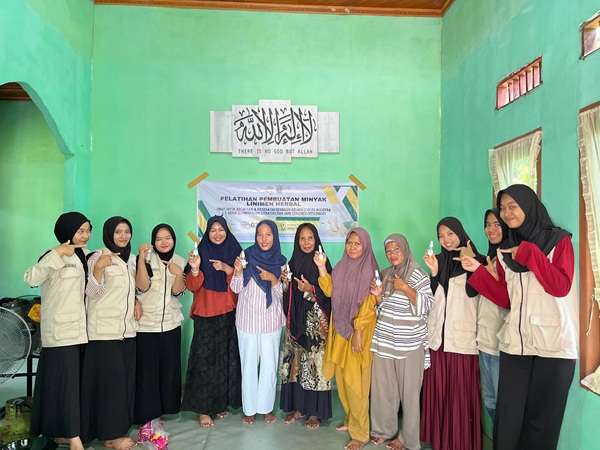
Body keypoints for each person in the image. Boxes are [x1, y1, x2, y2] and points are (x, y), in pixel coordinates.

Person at [459, 184, 576, 450]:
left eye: (513, 206)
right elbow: (507, 299)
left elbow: (560, 286)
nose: (507, 213)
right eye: (503, 208)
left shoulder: (559, 241)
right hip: (515, 346)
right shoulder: (506, 250)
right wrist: (478, 273)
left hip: (553, 347)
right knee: (508, 421)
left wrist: (530, 254)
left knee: (541, 424)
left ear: (529, 206)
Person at [25, 212, 92, 450]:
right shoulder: (52, 254)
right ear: (67, 231)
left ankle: (59, 432)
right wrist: (57, 253)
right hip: (60, 330)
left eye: (87, 230)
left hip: (80, 330)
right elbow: (31, 278)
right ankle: (74, 438)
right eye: (80, 231)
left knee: (63, 384)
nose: (85, 235)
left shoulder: (83, 256)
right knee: (67, 386)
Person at [421, 217, 483, 450]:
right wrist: (435, 273)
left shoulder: (476, 260)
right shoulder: (437, 261)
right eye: (441, 236)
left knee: (459, 395)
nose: (446, 240)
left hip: (462, 341)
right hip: (438, 341)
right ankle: (440, 441)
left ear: (460, 233)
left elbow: (474, 293)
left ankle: (459, 443)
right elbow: (433, 301)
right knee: (439, 392)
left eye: (450, 234)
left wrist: (471, 263)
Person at [369, 234, 434, 450]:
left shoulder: (418, 274)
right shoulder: (386, 274)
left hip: (410, 344)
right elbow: (382, 308)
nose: (392, 254)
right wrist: (378, 295)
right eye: (388, 251)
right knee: (383, 390)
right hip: (385, 341)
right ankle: (383, 430)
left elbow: (428, 306)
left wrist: (405, 288)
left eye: (396, 249)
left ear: (405, 249)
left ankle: (407, 439)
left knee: (410, 395)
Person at [81, 216, 138, 450]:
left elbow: (129, 291)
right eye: (118, 232)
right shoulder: (97, 257)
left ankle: (115, 428)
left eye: (126, 231)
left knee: (122, 384)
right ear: (108, 234)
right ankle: (111, 436)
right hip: (104, 332)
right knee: (110, 387)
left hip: (127, 331)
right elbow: (91, 293)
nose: (123, 236)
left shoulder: (130, 260)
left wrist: (137, 300)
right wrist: (98, 269)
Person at [320, 228, 378, 450]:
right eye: (349, 242)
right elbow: (330, 291)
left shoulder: (370, 271)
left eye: (357, 244)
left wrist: (358, 332)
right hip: (341, 331)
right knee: (343, 380)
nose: (352, 247)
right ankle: (351, 419)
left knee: (356, 385)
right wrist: (321, 268)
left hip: (358, 334)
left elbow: (370, 306)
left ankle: (360, 434)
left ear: (366, 246)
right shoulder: (341, 267)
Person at [182, 216, 242, 427]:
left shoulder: (235, 252)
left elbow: (240, 286)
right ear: (207, 233)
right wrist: (195, 268)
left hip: (228, 313)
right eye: (213, 230)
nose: (217, 234)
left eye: (221, 229)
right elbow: (192, 286)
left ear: (227, 231)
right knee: (204, 362)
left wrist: (227, 269)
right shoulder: (200, 253)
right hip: (205, 313)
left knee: (224, 361)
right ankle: (203, 409)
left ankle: (219, 403)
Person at [231, 219, 287, 425]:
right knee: (248, 365)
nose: (264, 239)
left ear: (275, 237)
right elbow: (236, 288)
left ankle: (265, 408)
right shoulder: (245, 256)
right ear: (255, 236)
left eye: (268, 235)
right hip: (247, 321)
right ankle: (249, 409)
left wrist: (273, 279)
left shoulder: (281, 262)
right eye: (260, 235)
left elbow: (283, 293)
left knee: (269, 366)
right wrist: (238, 271)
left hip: (271, 321)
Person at [134, 223, 186, 440]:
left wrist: (178, 274)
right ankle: (148, 417)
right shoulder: (147, 258)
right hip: (147, 325)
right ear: (153, 242)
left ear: (173, 240)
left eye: (168, 238)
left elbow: (177, 292)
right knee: (147, 373)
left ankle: (161, 412)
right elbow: (141, 287)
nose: (164, 242)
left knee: (167, 371)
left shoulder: (180, 261)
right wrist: (141, 259)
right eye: (159, 239)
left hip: (171, 325)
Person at [280, 223, 332, 429]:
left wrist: (310, 289)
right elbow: (287, 297)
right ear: (297, 241)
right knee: (296, 366)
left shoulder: (323, 263)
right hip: (295, 324)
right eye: (302, 238)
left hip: (315, 326)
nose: (306, 242)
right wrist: (286, 285)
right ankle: (299, 408)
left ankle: (315, 413)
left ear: (316, 239)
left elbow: (330, 295)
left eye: (310, 238)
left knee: (314, 367)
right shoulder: (292, 263)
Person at [476, 209, 509, 422]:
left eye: (497, 224)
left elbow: (506, 299)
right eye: (488, 224)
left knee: (502, 403)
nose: (491, 229)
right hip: (484, 341)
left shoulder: (509, 258)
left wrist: (488, 276)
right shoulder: (491, 257)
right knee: (490, 401)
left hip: (501, 344)